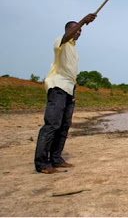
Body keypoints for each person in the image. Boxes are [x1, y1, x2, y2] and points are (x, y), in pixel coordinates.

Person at [34, 13, 96, 174]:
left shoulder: (73, 49)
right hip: (58, 87)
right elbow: (67, 36)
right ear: (68, 30)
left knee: (64, 125)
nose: (78, 33)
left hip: (69, 89)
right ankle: (42, 164)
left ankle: (56, 158)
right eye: (76, 30)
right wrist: (83, 20)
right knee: (52, 124)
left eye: (80, 31)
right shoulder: (60, 41)